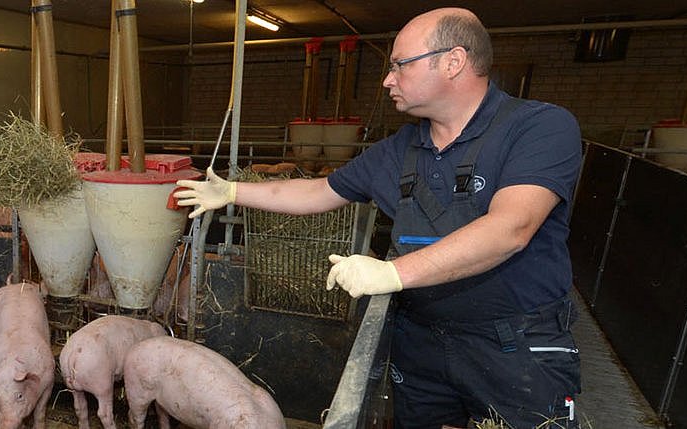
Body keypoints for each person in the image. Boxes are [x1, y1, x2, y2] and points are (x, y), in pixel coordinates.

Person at [174, 7, 582, 429]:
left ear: (453, 61)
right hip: (422, 340)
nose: (388, 79)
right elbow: (320, 191)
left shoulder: (538, 127)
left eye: (400, 65)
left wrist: (392, 274)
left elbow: (511, 228)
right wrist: (234, 191)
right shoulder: (398, 149)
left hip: (515, 347)